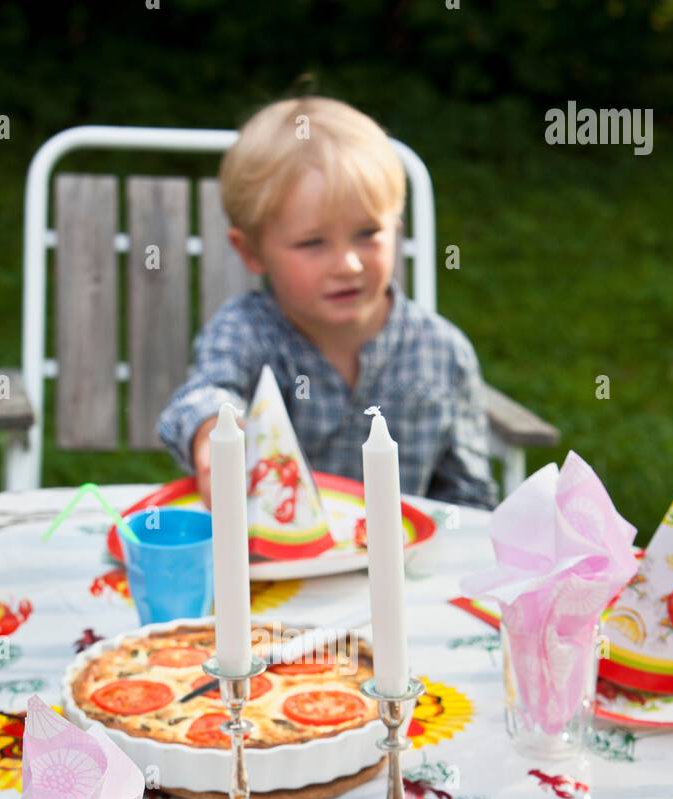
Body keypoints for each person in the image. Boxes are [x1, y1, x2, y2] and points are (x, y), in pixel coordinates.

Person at [157, 96, 496, 511]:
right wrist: (217, 429)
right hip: (277, 567)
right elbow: (207, 392)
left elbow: (467, 501)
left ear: (398, 229)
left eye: (368, 233)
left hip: (398, 569)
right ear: (250, 251)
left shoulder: (441, 352)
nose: (348, 264)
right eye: (313, 243)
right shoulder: (246, 331)